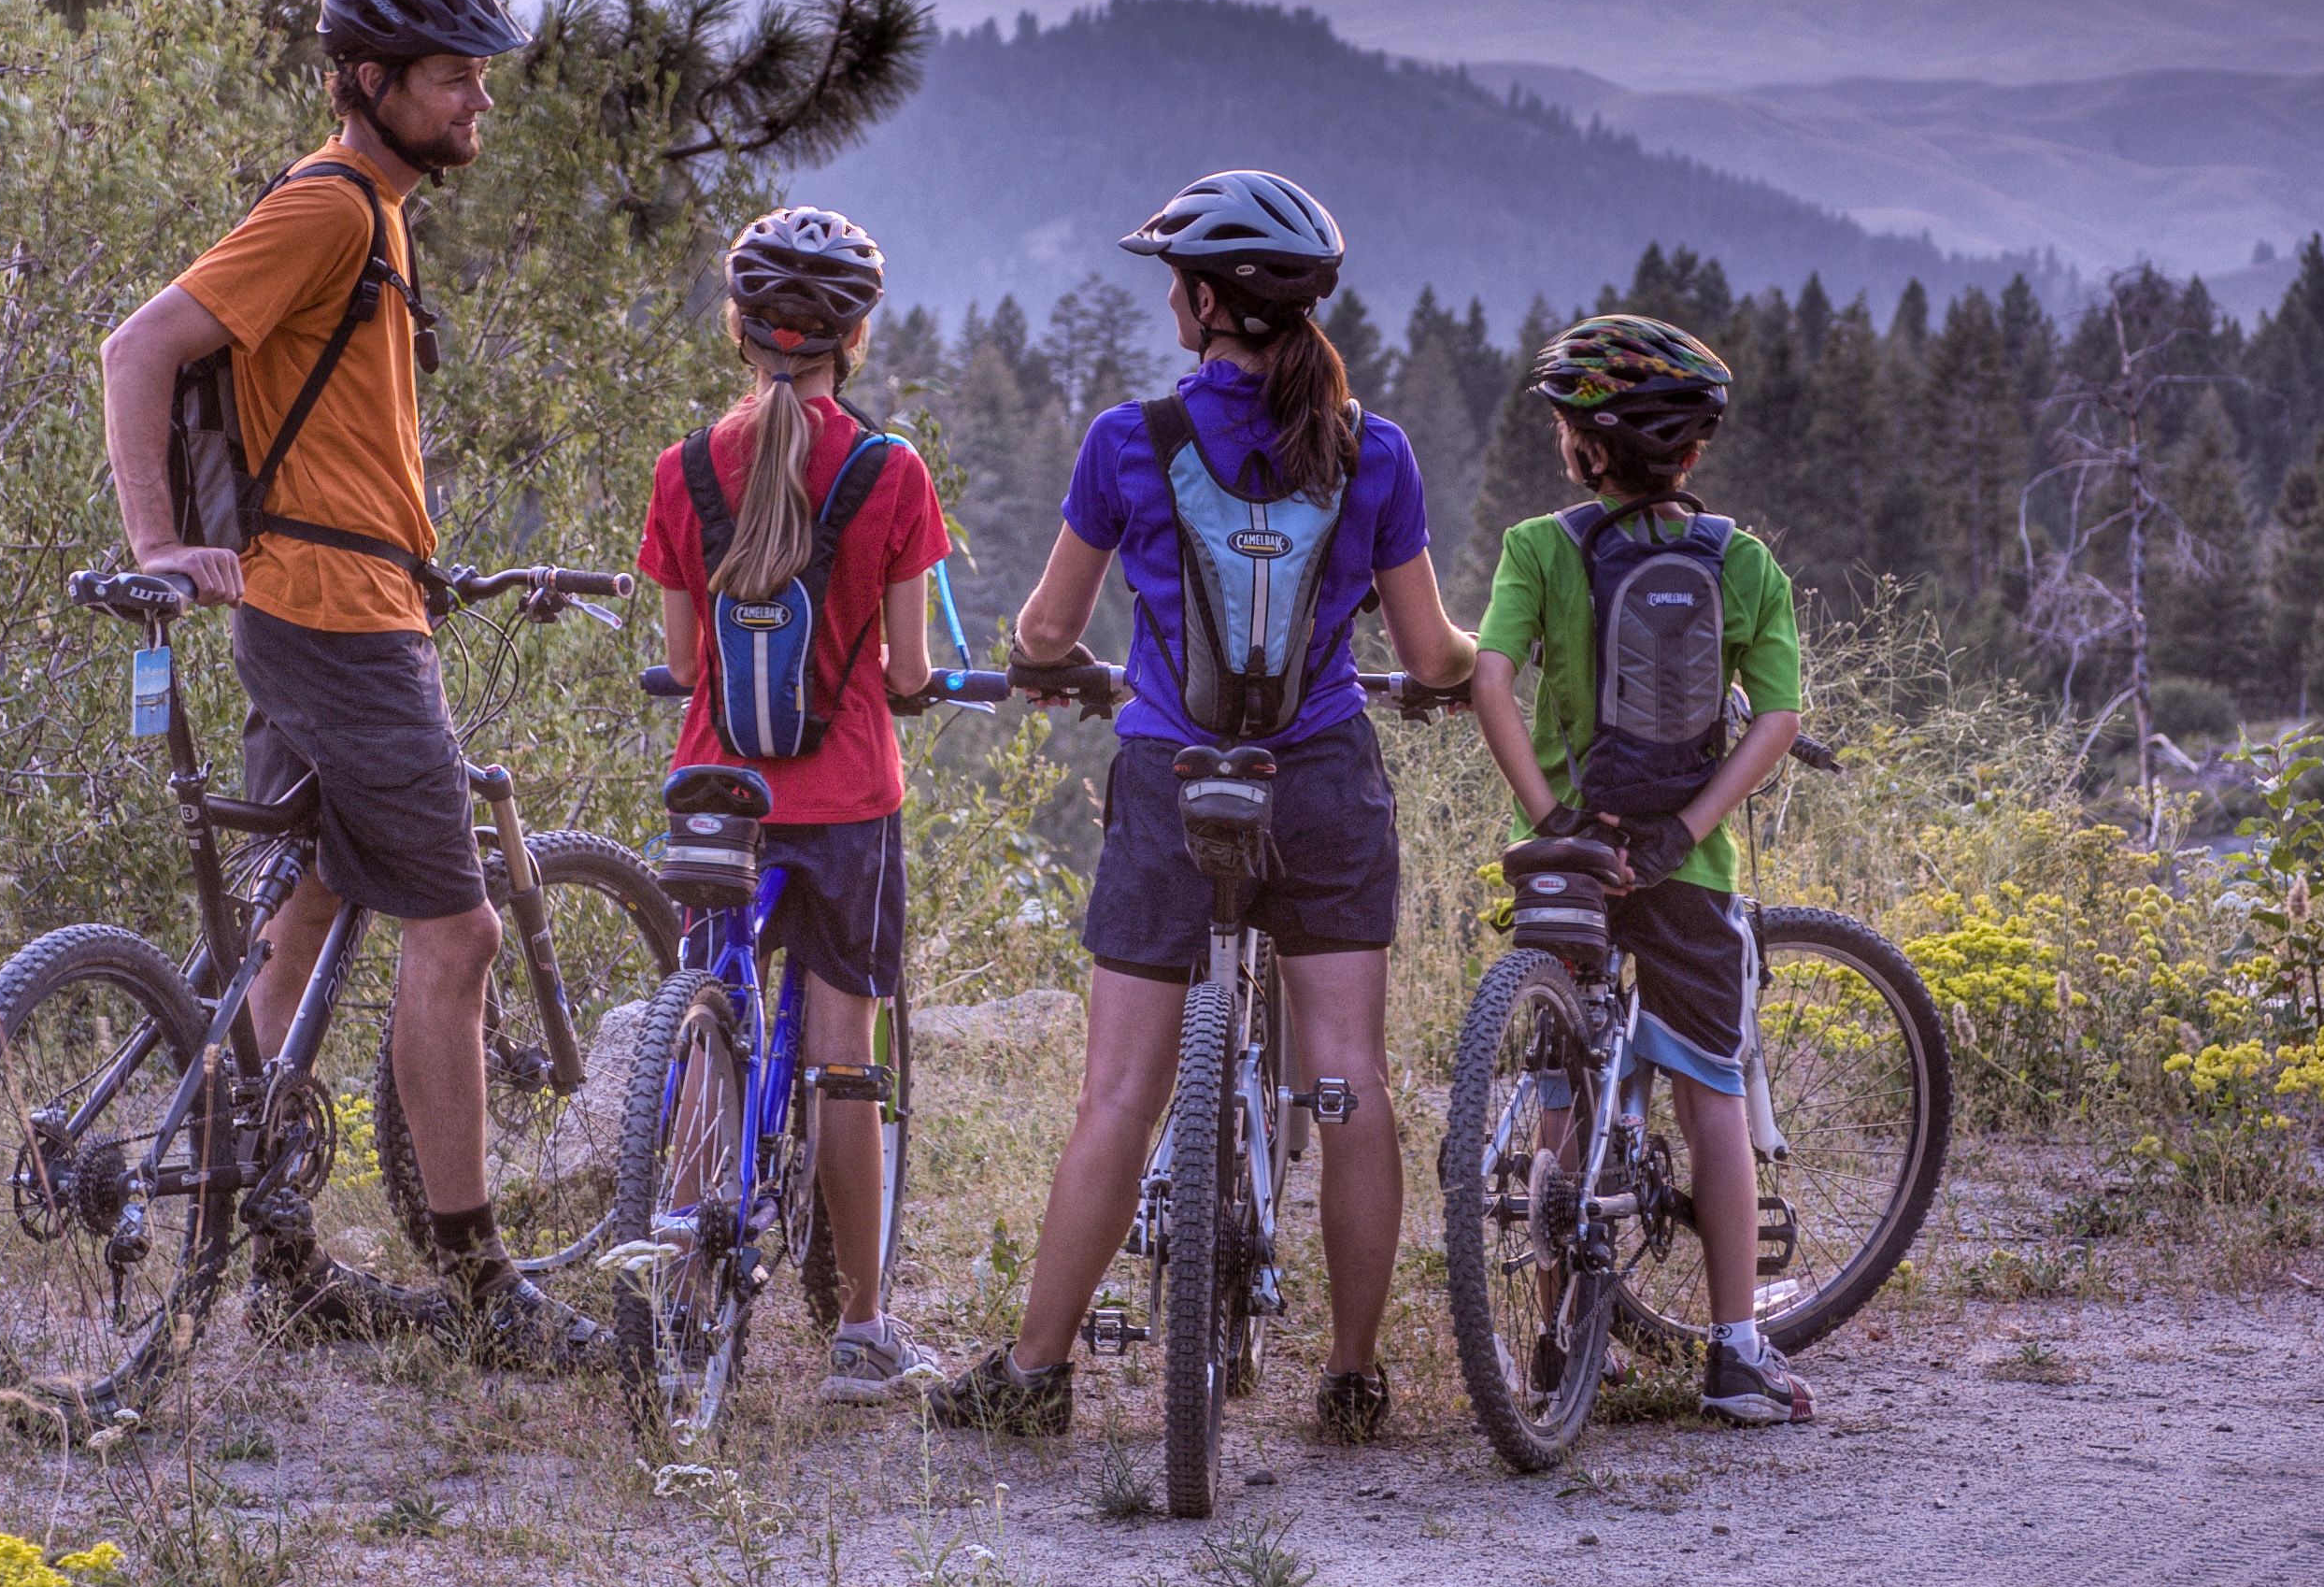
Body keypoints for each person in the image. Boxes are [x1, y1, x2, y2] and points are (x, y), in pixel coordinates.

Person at [95, 0, 601, 1366]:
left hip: (333, 602)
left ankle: (274, 1252)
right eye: (452, 79)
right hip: (341, 628)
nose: (475, 103)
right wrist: (155, 546)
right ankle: (483, 1284)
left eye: (478, 79)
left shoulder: (380, 215)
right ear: (371, 83)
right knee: (460, 931)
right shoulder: (327, 210)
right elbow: (136, 350)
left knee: (300, 916)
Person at [928, 169, 1475, 1443]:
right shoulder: (1372, 449)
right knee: (1347, 1082)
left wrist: (1066, 665)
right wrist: (1455, 674)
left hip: (1172, 779)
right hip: (1325, 781)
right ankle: (1347, 1371)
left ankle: (1033, 1376)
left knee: (1119, 1093)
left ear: (1201, 303)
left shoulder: (1132, 440)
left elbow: (1046, 628)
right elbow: (1431, 652)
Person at [1468, 312, 1816, 1423]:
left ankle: (1565, 1338)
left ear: (1583, 448)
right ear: (1692, 453)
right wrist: (1681, 829)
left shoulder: (1539, 547)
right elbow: (1777, 719)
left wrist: (1555, 814)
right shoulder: (1744, 562)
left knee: (1566, 1085)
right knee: (1712, 1092)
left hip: (1574, 858)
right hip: (1687, 862)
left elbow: (1488, 681)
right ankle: (1736, 1353)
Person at [634, 205, 952, 1406]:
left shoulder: (683, 469)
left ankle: (676, 1246)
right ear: (854, 337)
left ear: (738, 329)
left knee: (707, 1025)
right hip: (845, 805)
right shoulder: (891, 473)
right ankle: (861, 1332)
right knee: (841, 1063)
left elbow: (679, 652)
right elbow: (912, 672)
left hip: (716, 795)